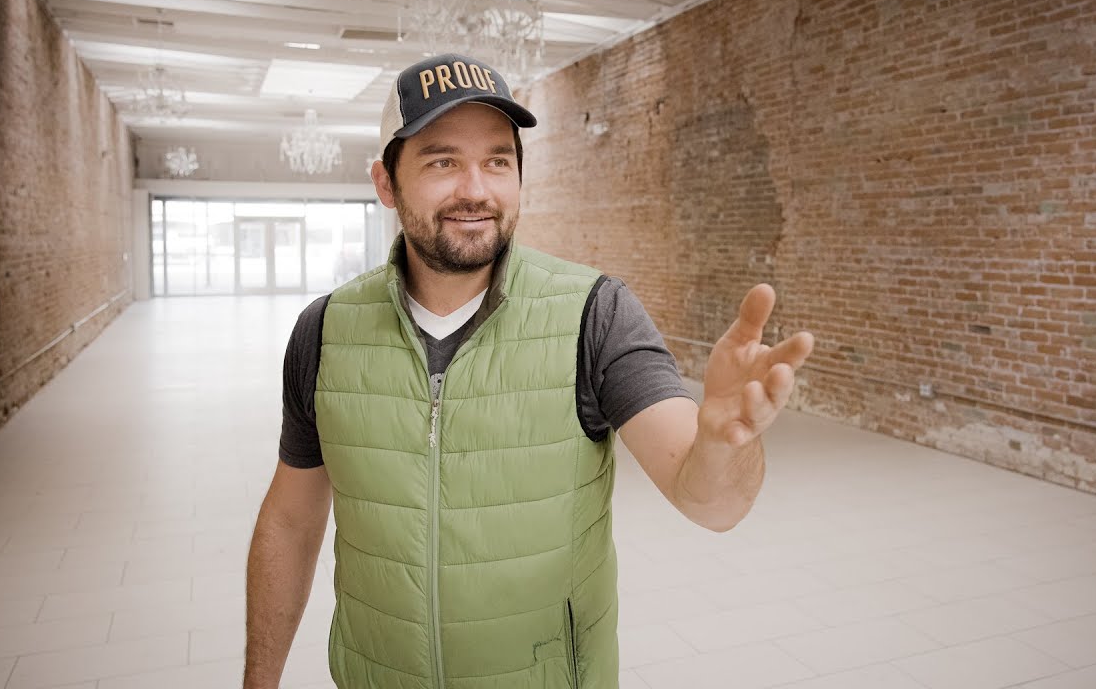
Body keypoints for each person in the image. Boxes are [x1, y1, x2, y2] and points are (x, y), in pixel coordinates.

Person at [244, 53, 815, 689]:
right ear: (386, 183)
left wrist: (725, 446)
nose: (476, 189)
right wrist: (257, 681)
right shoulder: (325, 333)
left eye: (498, 160)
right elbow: (291, 522)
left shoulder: (594, 314)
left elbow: (711, 503)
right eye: (442, 161)